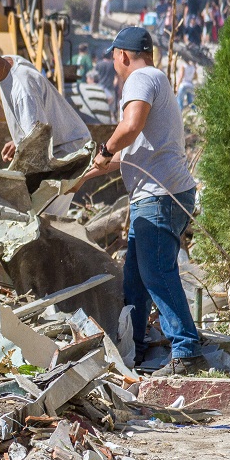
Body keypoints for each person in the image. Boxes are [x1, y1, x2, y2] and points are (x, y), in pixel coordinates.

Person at [70, 27, 206, 376]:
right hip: (160, 194)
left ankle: (187, 350)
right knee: (135, 277)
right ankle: (136, 347)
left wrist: (105, 147)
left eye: (114, 56)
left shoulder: (139, 78)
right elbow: (128, 155)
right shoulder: (155, 79)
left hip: (160, 196)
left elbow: (128, 129)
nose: (115, 63)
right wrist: (81, 177)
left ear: (123, 56)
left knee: (156, 272)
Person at [0, 30, 91, 163]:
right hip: (61, 147)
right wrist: (19, 142)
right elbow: (35, 130)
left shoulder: (22, 88)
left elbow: (38, 145)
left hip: (68, 153)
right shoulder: (10, 62)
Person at [95, 51, 118, 119]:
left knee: (100, 107)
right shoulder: (113, 65)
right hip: (110, 88)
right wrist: (115, 86)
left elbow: (94, 76)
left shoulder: (98, 64)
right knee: (111, 108)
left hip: (100, 88)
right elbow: (117, 78)